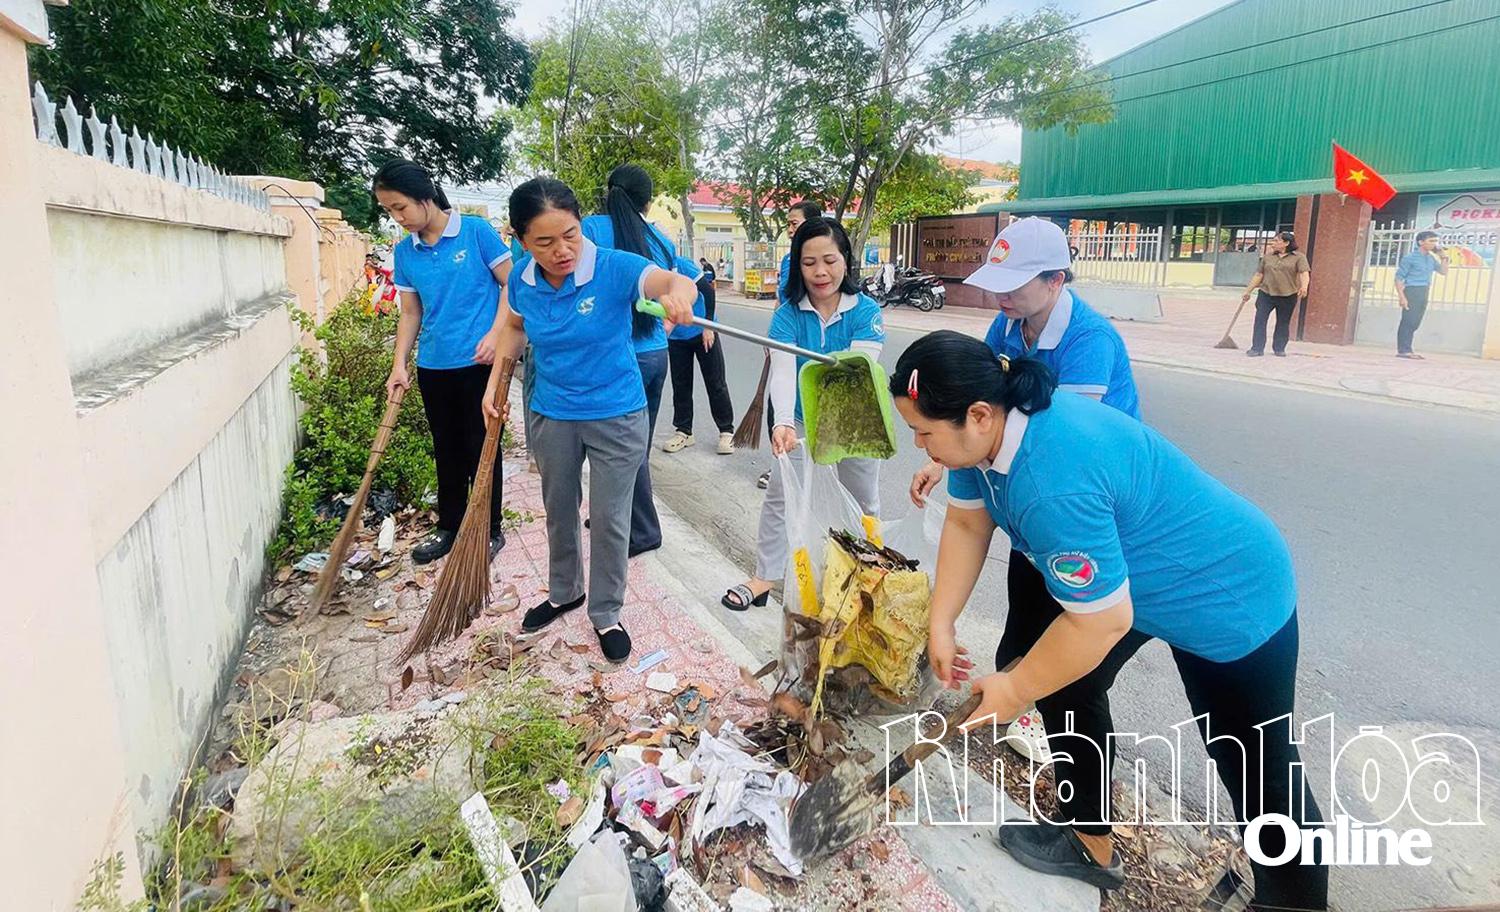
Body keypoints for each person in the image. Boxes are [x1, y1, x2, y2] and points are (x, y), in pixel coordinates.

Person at [891, 332, 1327, 909]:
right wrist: (942, 622)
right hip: (1131, 580)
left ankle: (1294, 904)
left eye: (925, 432)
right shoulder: (981, 435)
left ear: (977, 415)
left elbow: (1098, 622)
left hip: (1227, 594)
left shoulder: (1052, 480)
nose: (921, 446)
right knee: (1066, 681)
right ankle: (1088, 840)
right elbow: (970, 525)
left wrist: (1016, 688)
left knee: (1254, 764)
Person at [907, 216, 1140, 762]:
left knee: (1069, 645)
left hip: (1081, 505)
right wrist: (943, 458)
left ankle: (1036, 705)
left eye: (1015, 283)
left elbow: (1063, 448)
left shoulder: (1090, 341)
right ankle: (1031, 700)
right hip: (1028, 505)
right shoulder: (1007, 328)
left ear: (1057, 280)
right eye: (997, 280)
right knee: (1023, 630)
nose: (999, 295)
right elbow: (975, 412)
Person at [482, 177, 697, 663]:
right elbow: (514, 329)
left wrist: (678, 294)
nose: (562, 250)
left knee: (609, 517)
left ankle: (606, 612)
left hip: (617, 414)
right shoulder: (521, 278)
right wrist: (496, 382)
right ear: (520, 241)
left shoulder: (612, 266)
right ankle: (565, 591)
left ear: (582, 227)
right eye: (545, 241)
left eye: (571, 235)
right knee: (558, 509)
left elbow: (666, 280)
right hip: (553, 413)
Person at [722, 217, 885, 611]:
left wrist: (823, 430)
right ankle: (764, 577)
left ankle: (871, 577)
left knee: (864, 503)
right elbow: (782, 369)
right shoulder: (788, 315)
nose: (820, 272)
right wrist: (781, 423)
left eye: (829, 260)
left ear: (845, 259)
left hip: (855, 420)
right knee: (780, 497)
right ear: (797, 265)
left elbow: (855, 372)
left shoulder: (865, 311)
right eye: (809, 262)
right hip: (798, 416)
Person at [375, 158, 513, 565]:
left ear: (425, 196)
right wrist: (399, 363)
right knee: (446, 448)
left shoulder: (475, 232)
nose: (397, 217)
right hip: (434, 366)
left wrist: (494, 334)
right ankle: (449, 526)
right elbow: (410, 312)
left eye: (400, 207)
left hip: (480, 364)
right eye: (388, 211)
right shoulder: (406, 252)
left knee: (482, 446)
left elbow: (511, 287)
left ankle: (488, 529)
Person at [581, 164, 683, 557]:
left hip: (619, 359)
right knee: (633, 446)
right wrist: (661, 334)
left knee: (620, 449)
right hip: (655, 355)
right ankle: (618, 515)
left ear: (609, 193)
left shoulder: (590, 230)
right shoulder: (660, 237)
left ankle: (642, 530)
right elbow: (672, 301)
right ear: (647, 200)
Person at [755, 200, 827, 490]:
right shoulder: (788, 260)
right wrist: (773, 335)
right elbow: (782, 298)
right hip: (786, 334)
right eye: (788, 224)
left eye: (794, 223)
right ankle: (781, 464)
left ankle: (820, 463)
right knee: (781, 399)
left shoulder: (822, 260)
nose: (789, 229)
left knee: (809, 401)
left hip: (809, 340)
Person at [663, 255, 736, 455]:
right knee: (681, 385)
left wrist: (708, 326)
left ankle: (727, 431)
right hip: (677, 337)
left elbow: (708, 292)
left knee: (715, 382)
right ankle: (684, 431)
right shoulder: (652, 271)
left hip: (702, 331)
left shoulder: (681, 265)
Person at [1240, 230, 1309, 357]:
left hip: (1288, 295)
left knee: (1283, 322)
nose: (1273, 243)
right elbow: (1259, 274)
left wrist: (1304, 287)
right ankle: (1257, 348)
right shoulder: (1268, 257)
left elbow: (1304, 273)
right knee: (1260, 320)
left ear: (1286, 243)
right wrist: (1248, 290)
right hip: (1266, 293)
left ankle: (1279, 348)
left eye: (1277, 240)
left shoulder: (1299, 257)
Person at [1394, 230, 1448, 359]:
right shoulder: (1410, 258)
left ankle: (1408, 349)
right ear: (1421, 242)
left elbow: (1443, 272)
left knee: (1416, 321)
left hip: (1424, 290)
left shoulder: (1430, 258)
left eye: (1435, 241)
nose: (1434, 244)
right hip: (1412, 290)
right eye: (1431, 241)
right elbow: (1399, 278)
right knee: (1408, 320)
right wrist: (1402, 296)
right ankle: (1404, 350)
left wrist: (1444, 257)